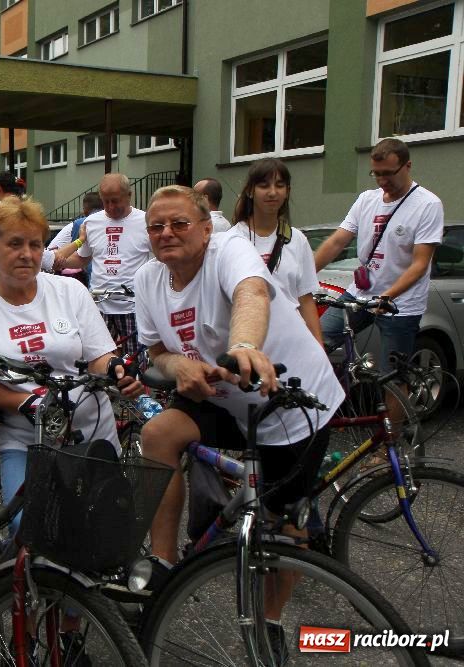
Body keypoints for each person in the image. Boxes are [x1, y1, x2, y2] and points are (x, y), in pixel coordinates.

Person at [134, 186, 343, 608]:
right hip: (222, 396)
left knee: (283, 524)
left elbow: (252, 292)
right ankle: (163, 565)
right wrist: (180, 368)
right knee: (158, 435)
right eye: (156, 227)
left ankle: (271, 621)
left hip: (291, 400)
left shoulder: (229, 249)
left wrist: (245, 343)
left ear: (207, 229)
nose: (166, 233)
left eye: (179, 223)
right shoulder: (147, 278)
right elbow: (156, 351)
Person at [0, 196, 144, 534]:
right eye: (14, 244)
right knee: (27, 527)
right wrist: (26, 402)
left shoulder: (70, 291)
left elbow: (99, 354)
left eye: (35, 244)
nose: (26, 253)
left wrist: (115, 367)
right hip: (26, 435)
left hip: (89, 426)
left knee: (102, 527)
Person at [314, 138, 444, 375]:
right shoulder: (366, 199)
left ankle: (397, 412)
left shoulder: (427, 205)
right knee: (315, 344)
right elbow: (336, 242)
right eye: (376, 174)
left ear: (407, 166)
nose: (383, 181)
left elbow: (420, 264)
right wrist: (303, 274)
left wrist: (387, 297)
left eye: (388, 174)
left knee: (392, 376)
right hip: (360, 293)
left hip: (399, 304)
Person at [228, 159, 322, 343]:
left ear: (287, 191)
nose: (272, 192)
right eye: (264, 186)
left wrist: (319, 347)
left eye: (280, 185)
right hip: (248, 343)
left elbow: (305, 299)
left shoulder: (297, 239)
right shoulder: (231, 240)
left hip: (291, 342)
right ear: (250, 191)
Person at [60, 173, 151, 355]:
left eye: (115, 201)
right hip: (99, 304)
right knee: (98, 358)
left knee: (136, 361)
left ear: (129, 195)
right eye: (105, 201)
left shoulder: (146, 221)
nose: (110, 206)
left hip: (132, 305)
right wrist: (59, 263)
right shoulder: (92, 222)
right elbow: (83, 258)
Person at [48, 191, 103, 284]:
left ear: (84, 209)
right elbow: (79, 252)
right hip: (58, 260)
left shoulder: (85, 222)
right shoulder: (82, 223)